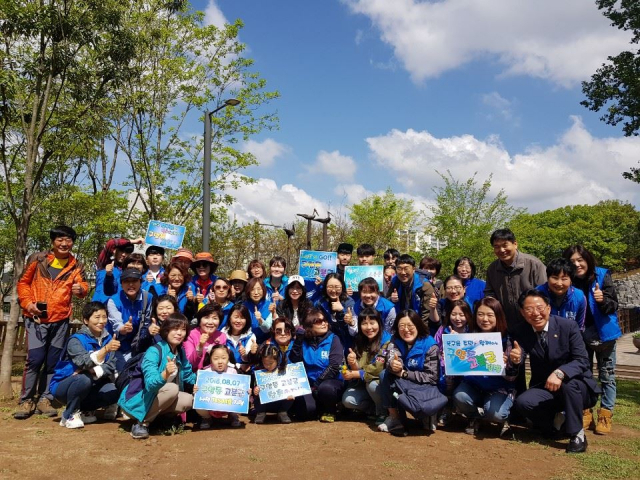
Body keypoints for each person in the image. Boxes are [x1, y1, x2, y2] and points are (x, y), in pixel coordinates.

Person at [15, 225, 89, 419]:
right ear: (53, 242)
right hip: (36, 319)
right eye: (59, 240)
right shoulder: (38, 259)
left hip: (61, 320)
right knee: (34, 360)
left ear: (72, 242)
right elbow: (23, 282)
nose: (64, 244)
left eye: (68, 240)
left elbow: (83, 285)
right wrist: (28, 303)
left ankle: (45, 399)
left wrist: (80, 289)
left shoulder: (76, 265)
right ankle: (26, 401)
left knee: (53, 362)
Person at [512, 290, 600, 454]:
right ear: (522, 313)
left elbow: (582, 360)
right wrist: (516, 359)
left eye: (540, 308)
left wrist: (560, 373)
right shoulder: (521, 331)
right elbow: (520, 354)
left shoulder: (567, 326)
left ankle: (577, 434)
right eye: (529, 309)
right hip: (546, 387)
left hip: (578, 388)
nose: (536, 313)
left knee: (569, 383)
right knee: (523, 402)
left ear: (549, 308)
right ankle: (554, 426)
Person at [563, 245, 622, 435]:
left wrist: (602, 299)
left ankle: (605, 414)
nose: (577, 264)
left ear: (588, 259)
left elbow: (614, 305)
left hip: (604, 336)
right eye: (572, 262)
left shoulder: (602, 275)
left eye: (580, 259)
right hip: (579, 337)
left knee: (607, 377)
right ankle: (585, 411)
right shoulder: (568, 280)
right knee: (583, 375)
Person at [119, 313, 196, 439]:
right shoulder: (154, 351)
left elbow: (188, 375)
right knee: (172, 388)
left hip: (156, 398)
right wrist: (165, 374)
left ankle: (158, 420)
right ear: (166, 331)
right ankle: (141, 424)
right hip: (137, 400)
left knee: (188, 400)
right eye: (175, 329)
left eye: (183, 330)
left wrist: (202, 382)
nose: (179, 333)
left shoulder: (180, 352)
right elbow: (150, 384)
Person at [452, 297, 518, 437]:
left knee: (495, 413)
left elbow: (512, 377)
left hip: (499, 388)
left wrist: (508, 363)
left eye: (489, 315)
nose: (484, 319)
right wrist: (454, 346)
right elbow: (460, 364)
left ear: (498, 316)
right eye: (480, 315)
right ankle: (475, 416)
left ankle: (503, 419)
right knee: (459, 396)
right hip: (474, 385)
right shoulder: (469, 336)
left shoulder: (507, 340)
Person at [49, 302, 120, 429]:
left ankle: (85, 410)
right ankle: (70, 414)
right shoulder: (76, 340)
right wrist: (105, 350)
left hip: (91, 382)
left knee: (114, 391)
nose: (101, 321)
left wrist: (92, 371)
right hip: (64, 385)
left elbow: (111, 365)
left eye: (104, 317)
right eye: (97, 317)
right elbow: (84, 362)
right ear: (86, 320)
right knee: (83, 379)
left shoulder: (108, 338)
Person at [377, 310, 447, 437]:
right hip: (405, 383)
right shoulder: (394, 341)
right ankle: (395, 418)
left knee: (426, 422)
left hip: (425, 387)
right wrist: (392, 365)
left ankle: (429, 414)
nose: (406, 330)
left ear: (418, 326)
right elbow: (391, 358)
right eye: (401, 326)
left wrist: (404, 374)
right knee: (384, 374)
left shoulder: (430, 345)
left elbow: (431, 377)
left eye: (410, 326)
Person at [484, 228, 547, 333]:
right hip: (507, 325)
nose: (502, 250)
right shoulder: (492, 269)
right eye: (497, 247)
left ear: (515, 244)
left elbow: (545, 294)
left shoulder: (534, 264)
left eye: (505, 245)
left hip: (534, 323)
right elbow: (490, 295)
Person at [290, 308, 344, 423]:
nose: (324, 323)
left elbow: (334, 366)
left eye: (324, 320)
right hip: (309, 384)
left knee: (326, 389)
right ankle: (318, 408)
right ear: (309, 325)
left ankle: (330, 410)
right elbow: (295, 361)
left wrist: (317, 385)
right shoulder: (304, 340)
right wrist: (298, 340)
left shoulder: (334, 339)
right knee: (305, 412)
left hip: (331, 382)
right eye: (318, 321)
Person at [341, 307, 391, 424]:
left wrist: (356, 373)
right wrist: (353, 363)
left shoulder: (387, 341)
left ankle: (384, 412)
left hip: (381, 385)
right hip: (364, 384)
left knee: (372, 385)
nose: (369, 328)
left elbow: (378, 368)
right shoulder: (360, 341)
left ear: (379, 323)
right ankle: (373, 410)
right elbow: (359, 370)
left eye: (372, 323)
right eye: (364, 323)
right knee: (348, 400)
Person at [433, 299, 473, 424]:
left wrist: (458, 340)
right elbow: (434, 348)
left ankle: (460, 408)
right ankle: (446, 407)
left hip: (467, 370)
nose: (457, 318)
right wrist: (441, 354)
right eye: (454, 314)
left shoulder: (472, 332)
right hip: (445, 369)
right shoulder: (442, 330)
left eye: (462, 315)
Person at [106, 268, 152, 370]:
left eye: (135, 281)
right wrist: (123, 329)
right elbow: (117, 324)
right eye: (127, 281)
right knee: (123, 373)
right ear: (121, 284)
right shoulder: (114, 301)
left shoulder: (148, 298)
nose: (131, 284)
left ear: (140, 282)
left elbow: (148, 321)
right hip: (117, 345)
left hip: (138, 345)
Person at [194, 344, 243, 429]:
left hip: (227, 406)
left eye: (223, 358)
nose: (220, 361)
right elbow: (201, 392)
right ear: (210, 359)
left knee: (240, 398)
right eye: (216, 359)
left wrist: (246, 392)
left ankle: (233, 416)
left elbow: (239, 391)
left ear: (228, 358)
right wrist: (196, 390)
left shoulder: (233, 372)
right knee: (195, 398)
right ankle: (207, 418)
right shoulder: (205, 373)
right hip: (210, 407)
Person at [387, 254, 436, 331]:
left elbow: (426, 313)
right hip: (399, 324)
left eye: (406, 269)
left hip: (418, 324)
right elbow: (386, 303)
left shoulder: (424, 285)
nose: (403, 273)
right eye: (399, 269)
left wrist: (421, 331)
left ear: (413, 269)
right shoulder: (395, 281)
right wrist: (391, 299)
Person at [536, 258, 586, 331]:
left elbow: (579, 327)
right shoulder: (537, 294)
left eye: (564, 279)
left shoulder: (579, 297)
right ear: (547, 278)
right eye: (555, 278)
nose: (559, 283)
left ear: (571, 280)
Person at [252, 343, 295, 424]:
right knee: (257, 396)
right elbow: (254, 388)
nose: (267, 366)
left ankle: (282, 412)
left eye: (270, 363)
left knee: (291, 396)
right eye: (265, 363)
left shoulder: (285, 371)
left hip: (280, 403)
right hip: (264, 405)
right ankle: (261, 413)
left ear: (277, 360)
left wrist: (291, 393)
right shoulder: (259, 373)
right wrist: (255, 391)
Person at [315, 273, 356, 352]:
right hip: (327, 343)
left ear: (342, 287)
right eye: (330, 287)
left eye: (337, 287)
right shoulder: (320, 303)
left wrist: (341, 311)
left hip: (347, 344)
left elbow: (349, 329)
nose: (333, 290)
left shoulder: (349, 302)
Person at [93, 237, 141, 303]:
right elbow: (111, 243)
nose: (124, 255)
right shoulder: (104, 264)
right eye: (121, 251)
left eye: (127, 252)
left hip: (117, 308)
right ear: (115, 250)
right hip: (99, 307)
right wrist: (134, 241)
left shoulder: (128, 271)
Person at [183, 303, 227, 371]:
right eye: (206, 318)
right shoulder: (190, 335)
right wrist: (200, 346)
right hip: (195, 375)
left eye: (215, 318)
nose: (210, 322)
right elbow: (190, 363)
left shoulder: (222, 336)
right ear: (199, 321)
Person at [221, 304, 257, 372]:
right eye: (236, 317)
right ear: (230, 318)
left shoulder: (250, 336)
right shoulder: (222, 334)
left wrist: (247, 355)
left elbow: (247, 363)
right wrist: (237, 366)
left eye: (242, 318)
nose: (238, 321)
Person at [243, 277, 274, 344]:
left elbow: (267, 329)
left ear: (263, 290)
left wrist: (260, 320)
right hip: (247, 342)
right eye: (252, 289)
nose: (256, 293)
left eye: (259, 289)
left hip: (266, 343)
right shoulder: (243, 307)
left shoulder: (270, 306)